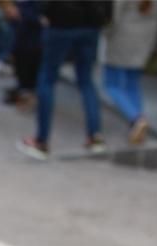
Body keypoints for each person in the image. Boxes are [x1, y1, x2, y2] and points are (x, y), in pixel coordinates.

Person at [17, 0, 113, 160]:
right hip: (90, 24)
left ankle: (41, 141)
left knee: (47, 77)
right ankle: (95, 136)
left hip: (60, 22)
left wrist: (43, 12)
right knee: (86, 80)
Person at [103, 0, 157, 144]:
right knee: (132, 85)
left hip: (122, 37)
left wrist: (105, 33)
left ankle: (136, 118)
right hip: (145, 38)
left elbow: (114, 17)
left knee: (111, 85)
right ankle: (137, 125)